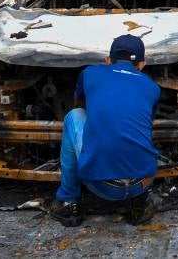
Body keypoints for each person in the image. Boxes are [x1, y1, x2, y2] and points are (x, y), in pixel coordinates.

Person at [49, 35, 161, 227]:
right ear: (142, 64)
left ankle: (68, 201)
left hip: (101, 186)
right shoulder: (152, 87)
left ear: (108, 60)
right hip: (141, 182)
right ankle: (140, 206)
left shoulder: (90, 73)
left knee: (74, 116)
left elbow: (81, 104)